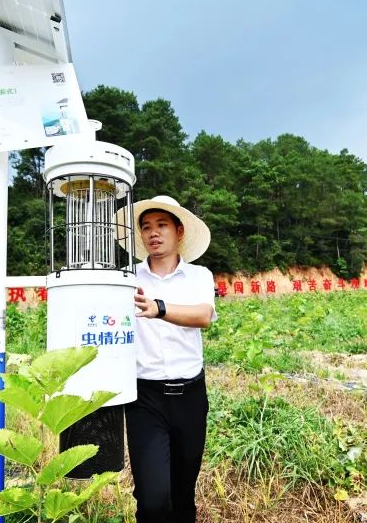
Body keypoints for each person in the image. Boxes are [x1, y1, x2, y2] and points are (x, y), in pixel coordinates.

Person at [124, 195, 216, 523]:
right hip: (144, 398)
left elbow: (203, 315)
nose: (153, 233)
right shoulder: (126, 278)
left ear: (179, 232)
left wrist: (159, 308)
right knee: (151, 499)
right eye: (146, 227)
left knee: (182, 494)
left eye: (162, 225)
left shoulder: (199, 276)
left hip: (190, 396)